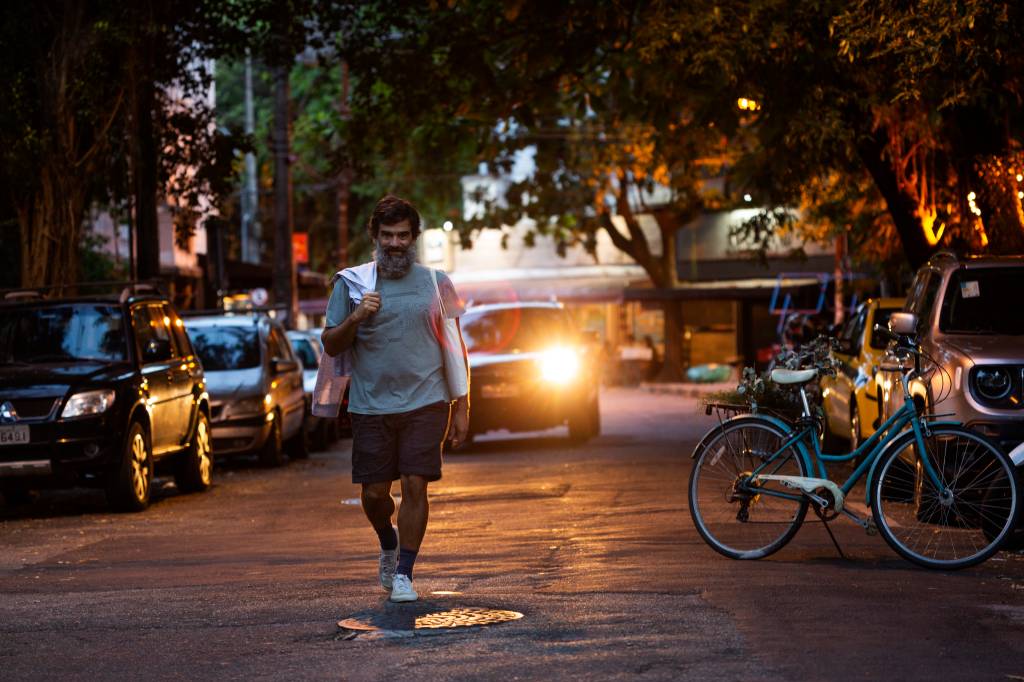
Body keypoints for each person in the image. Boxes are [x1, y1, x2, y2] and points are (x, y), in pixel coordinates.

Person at [322, 195, 469, 603]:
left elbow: (455, 347)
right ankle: (388, 542)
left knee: (414, 484)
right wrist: (356, 317)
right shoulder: (353, 284)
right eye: (387, 235)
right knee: (373, 494)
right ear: (375, 236)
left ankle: (404, 571)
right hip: (370, 406)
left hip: (427, 400)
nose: (395, 243)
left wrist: (462, 404)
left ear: (414, 238)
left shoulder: (436, 284)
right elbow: (331, 345)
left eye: (403, 235)